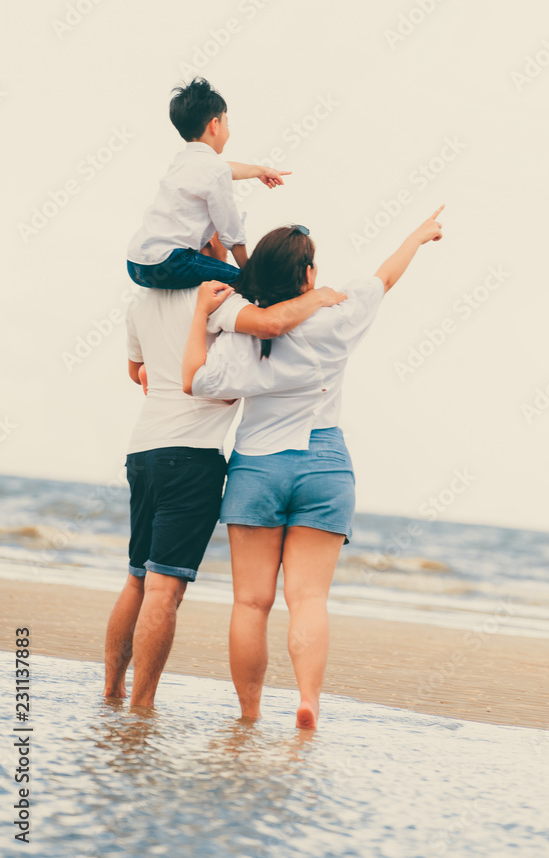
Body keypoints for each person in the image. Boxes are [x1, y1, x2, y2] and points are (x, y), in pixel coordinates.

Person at [182, 207, 445, 729]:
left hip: (257, 467)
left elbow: (196, 381)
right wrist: (418, 235)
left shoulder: (240, 333)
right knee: (308, 601)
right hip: (324, 465)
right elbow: (385, 275)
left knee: (251, 604)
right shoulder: (338, 316)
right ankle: (308, 702)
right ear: (306, 274)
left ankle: (250, 714)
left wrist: (200, 316)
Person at [103, 238, 346, 708]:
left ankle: (113, 691)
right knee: (163, 586)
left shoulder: (142, 301)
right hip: (191, 455)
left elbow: (138, 372)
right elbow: (274, 322)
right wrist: (316, 295)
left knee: (136, 577)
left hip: (144, 450)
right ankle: (141, 706)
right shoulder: (218, 299)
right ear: (207, 246)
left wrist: (166, 375)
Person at [126, 76, 290, 290]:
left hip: (136, 262)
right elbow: (231, 231)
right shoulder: (214, 170)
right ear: (215, 124)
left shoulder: (183, 161)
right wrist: (249, 273)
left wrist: (260, 170)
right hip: (170, 262)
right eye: (226, 123)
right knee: (240, 281)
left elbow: (225, 168)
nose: (227, 129)